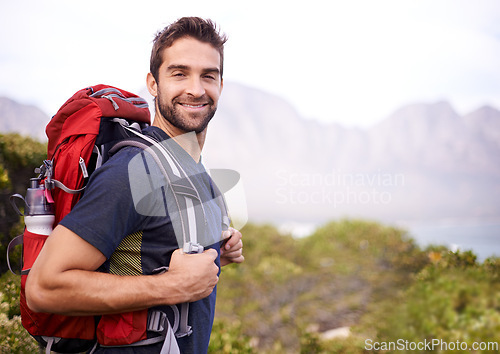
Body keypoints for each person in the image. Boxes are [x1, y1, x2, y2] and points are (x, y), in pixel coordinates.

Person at [25, 17, 244, 353]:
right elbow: (44, 289)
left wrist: (216, 248)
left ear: (221, 85)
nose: (196, 89)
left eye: (208, 76)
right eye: (179, 73)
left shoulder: (193, 167)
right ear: (153, 84)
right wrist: (172, 285)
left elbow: (152, 246)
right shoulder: (134, 172)